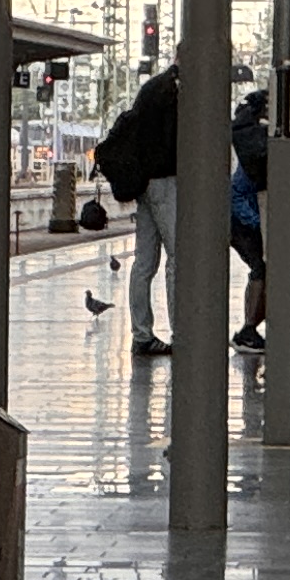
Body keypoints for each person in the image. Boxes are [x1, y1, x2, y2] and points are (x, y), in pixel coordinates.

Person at [93, 61, 181, 360]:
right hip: (164, 180)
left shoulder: (153, 88)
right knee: (177, 259)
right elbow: (171, 141)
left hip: (145, 183)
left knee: (144, 262)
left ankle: (142, 335)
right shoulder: (172, 91)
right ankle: (181, 332)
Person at [227, 85, 272, 351]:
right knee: (261, 269)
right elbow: (236, 192)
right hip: (243, 222)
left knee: (261, 269)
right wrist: (256, 222)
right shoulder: (255, 149)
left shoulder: (252, 143)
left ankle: (250, 327)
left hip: (245, 220)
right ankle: (248, 329)